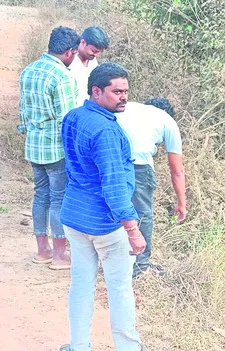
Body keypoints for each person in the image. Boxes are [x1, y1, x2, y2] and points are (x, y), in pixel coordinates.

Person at [59, 62, 147, 351]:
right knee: (119, 289)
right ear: (96, 91)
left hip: (74, 216)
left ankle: (78, 345)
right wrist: (133, 229)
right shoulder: (106, 132)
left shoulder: (73, 117)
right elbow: (113, 184)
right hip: (104, 223)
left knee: (81, 284)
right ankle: (129, 348)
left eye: (126, 91)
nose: (123, 97)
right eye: (116, 91)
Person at [18, 26, 80, 270]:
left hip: (34, 146)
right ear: (69, 52)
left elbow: (23, 112)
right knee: (58, 199)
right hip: (56, 148)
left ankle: (42, 251)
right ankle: (59, 255)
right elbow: (67, 120)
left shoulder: (29, 71)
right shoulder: (62, 76)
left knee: (40, 195)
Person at [115, 98, 187, 277]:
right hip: (139, 166)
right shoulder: (167, 120)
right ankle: (140, 266)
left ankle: (112, 259)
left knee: (113, 208)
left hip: (110, 161)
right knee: (142, 214)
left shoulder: (127, 107)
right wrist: (181, 202)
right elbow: (177, 170)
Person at [69, 26, 110, 107]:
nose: (96, 55)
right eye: (94, 51)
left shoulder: (93, 61)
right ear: (83, 42)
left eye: (99, 52)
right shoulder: (70, 62)